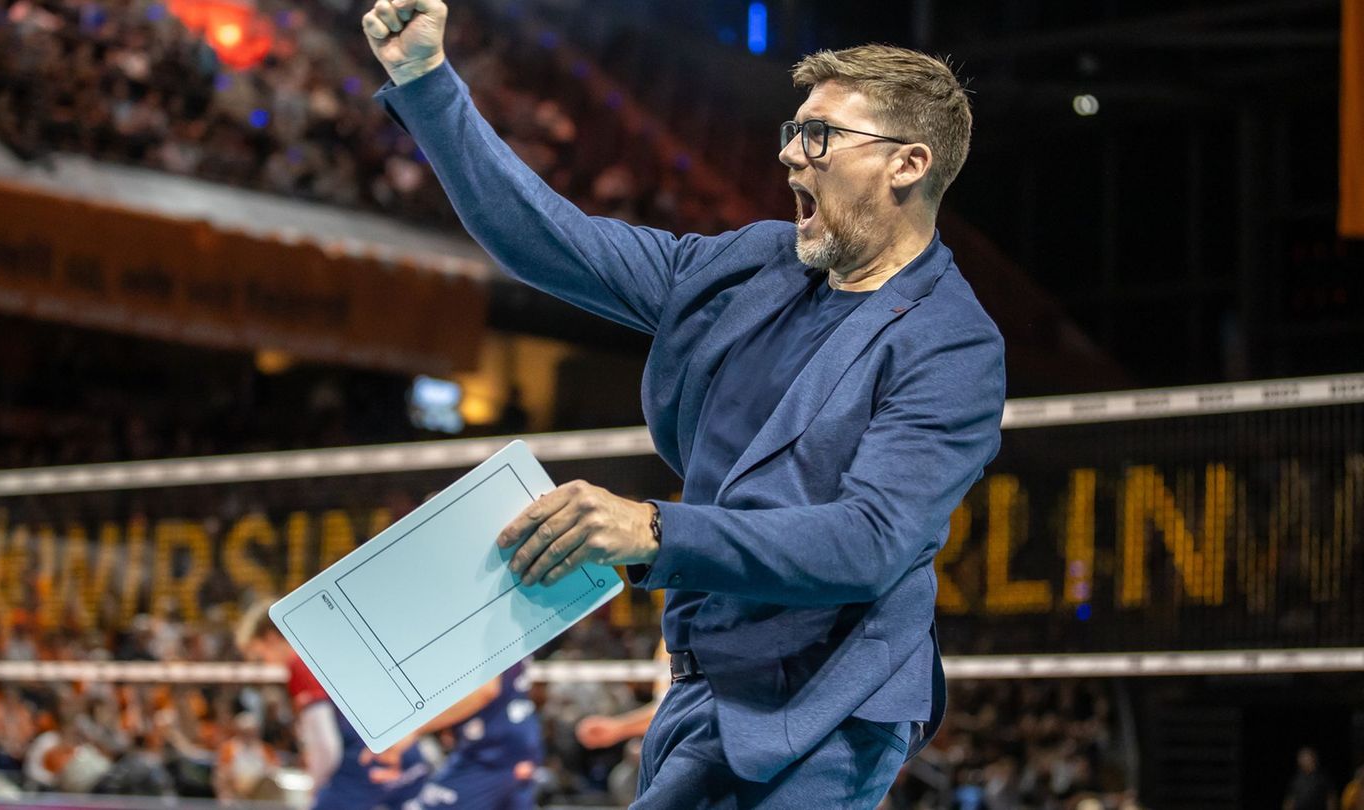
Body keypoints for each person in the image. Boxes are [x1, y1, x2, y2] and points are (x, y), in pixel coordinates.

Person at [361, 1, 1004, 804]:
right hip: (703, 681)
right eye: (791, 133)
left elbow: (869, 541)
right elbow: (547, 239)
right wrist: (427, 83)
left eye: (820, 137)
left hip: (823, 708)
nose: (792, 159)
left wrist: (653, 528)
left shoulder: (953, 345)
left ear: (907, 165)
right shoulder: (748, 265)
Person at [235, 600, 432, 809]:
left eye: (260, 655)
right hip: (406, 755)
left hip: (364, 764)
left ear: (271, 638)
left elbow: (326, 746)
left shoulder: (301, 664)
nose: (267, 663)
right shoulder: (332, 648)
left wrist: (315, 787)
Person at [364, 661, 543, 809]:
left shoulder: (474, 626)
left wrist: (412, 729)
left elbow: (485, 690)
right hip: (511, 743)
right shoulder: (502, 627)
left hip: (494, 750)